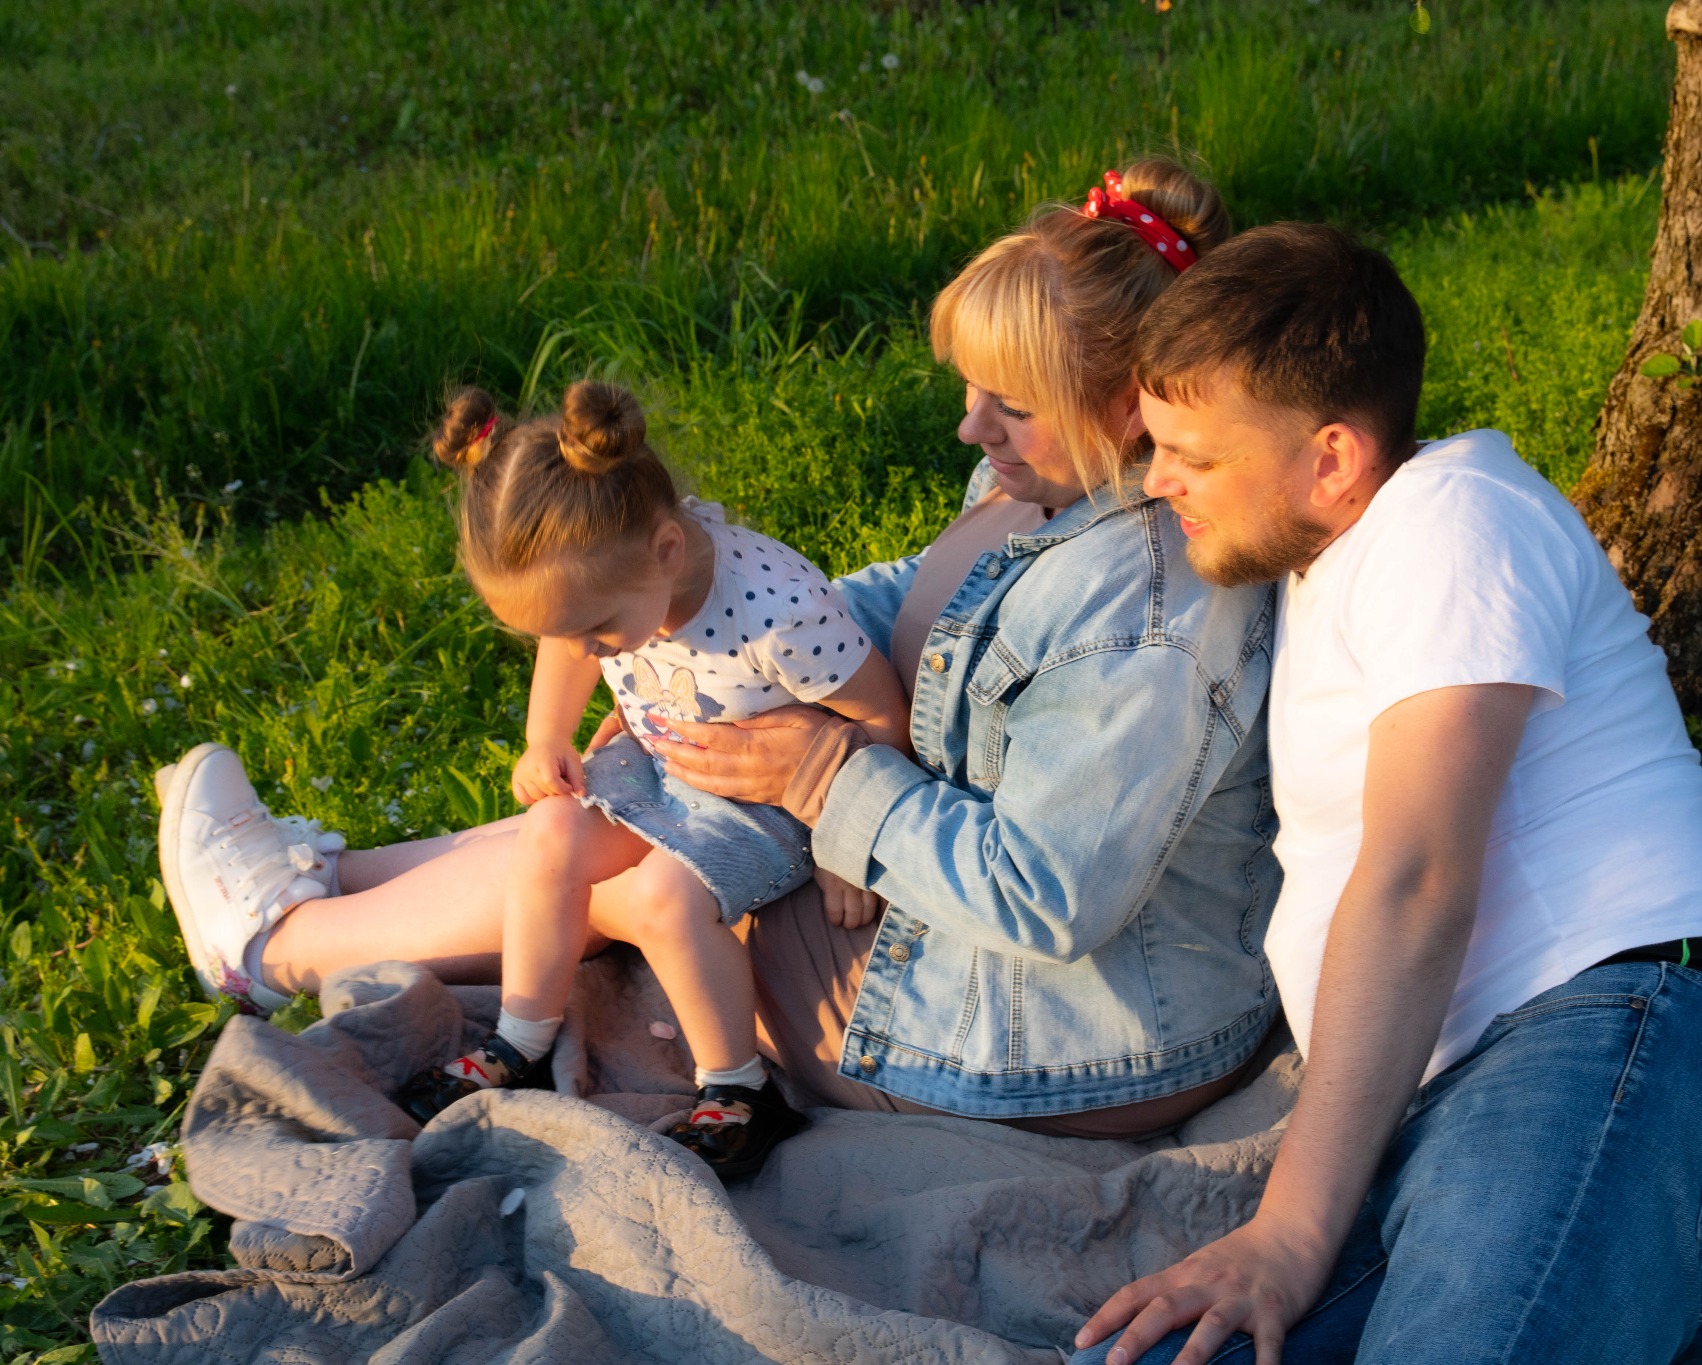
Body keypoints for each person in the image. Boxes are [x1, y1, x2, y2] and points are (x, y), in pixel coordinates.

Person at [154, 159, 1283, 1144]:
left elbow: (1045, 898)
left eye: (1010, 406)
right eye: (970, 393)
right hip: (975, 940)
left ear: (1130, 405)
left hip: (1044, 1025)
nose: (969, 430)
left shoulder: (1149, 611)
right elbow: (931, 597)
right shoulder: (1042, 478)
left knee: (632, 857)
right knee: (630, 787)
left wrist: (827, 775)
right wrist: (712, 647)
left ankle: (277, 940)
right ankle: (326, 876)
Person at [1073, 223, 1702, 1364]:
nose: (1154, 478)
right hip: (1438, 1107)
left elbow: (1417, 879)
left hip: (1625, 1031)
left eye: (1191, 455)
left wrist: (1287, 1230)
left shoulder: (1454, 519)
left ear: (1330, 458)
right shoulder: (1328, 560)